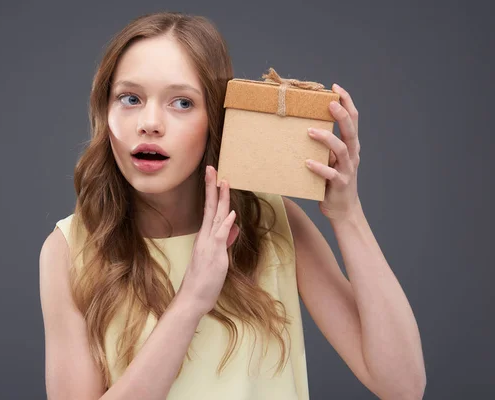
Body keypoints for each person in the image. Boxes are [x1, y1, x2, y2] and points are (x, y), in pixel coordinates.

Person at [39, 11, 426, 400]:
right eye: (130, 98)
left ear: (216, 118)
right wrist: (191, 301)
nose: (150, 122)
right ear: (105, 112)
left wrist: (347, 213)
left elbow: (403, 385)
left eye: (182, 102)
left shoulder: (270, 221)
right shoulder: (69, 250)